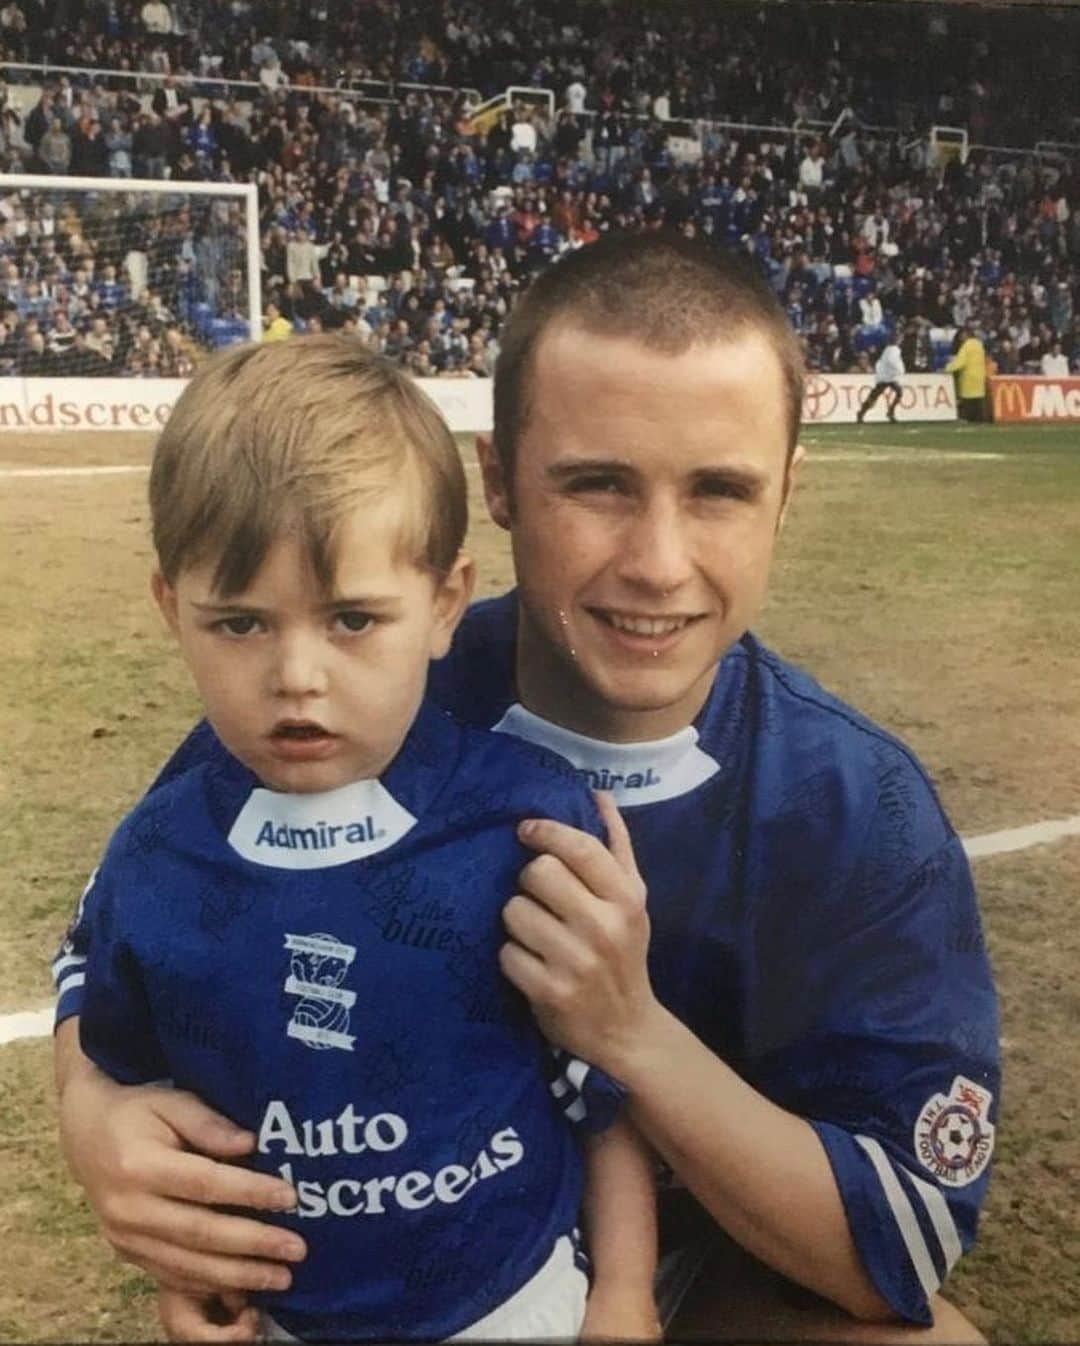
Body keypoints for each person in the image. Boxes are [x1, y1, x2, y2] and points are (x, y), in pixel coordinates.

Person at [54, 235, 997, 1342]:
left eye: (720, 491)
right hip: (385, 1271)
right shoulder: (359, 692)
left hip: (708, 1275)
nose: (656, 560)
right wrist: (92, 1114)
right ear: (497, 479)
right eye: (597, 483)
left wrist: (632, 1035)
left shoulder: (855, 807)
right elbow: (106, 934)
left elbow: (903, 1237)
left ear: (787, 493)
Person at [62, 335, 659, 1343]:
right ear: (173, 609)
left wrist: (627, 1295)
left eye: (351, 618)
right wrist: (193, 1273)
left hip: (519, 1304)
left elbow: (605, 1085)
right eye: (241, 624)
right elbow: (130, 1097)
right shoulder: (156, 859)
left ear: (444, 605)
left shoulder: (526, 822)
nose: (298, 672)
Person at [856, 334, 905, 423]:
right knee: (898, 392)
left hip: (884, 376)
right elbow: (892, 361)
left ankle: (862, 412)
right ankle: (890, 412)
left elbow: (883, 361)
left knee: (875, 395)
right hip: (888, 376)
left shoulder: (887, 349)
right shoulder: (894, 350)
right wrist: (899, 370)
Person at [946, 326, 988, 422]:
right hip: (980, 375)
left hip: (969, 376)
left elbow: (960, 362)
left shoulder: (966, 346)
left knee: (968, 400)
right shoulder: (979, 344)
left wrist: (947, 368)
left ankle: (968, 417)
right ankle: (980, 419)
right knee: (978, 399)